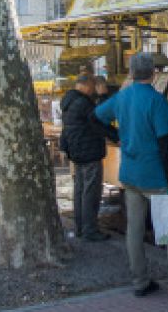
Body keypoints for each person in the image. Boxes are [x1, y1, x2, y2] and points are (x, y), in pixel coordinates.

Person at [94, 53, 168, 303]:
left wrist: (116, 136)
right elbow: (166, 147)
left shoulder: (122, 96)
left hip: (129, 174)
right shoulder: (156, 101)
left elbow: (94, 117)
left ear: (131, 72)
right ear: (154, 74)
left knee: (134, 230)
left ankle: (140, 282)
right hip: (155, 176)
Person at [58, 75, 118, 242]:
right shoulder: (83, 102)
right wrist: (117, 136)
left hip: (76, 151)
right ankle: (90, 229)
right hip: (89, 151)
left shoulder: (68, 101)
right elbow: (100, 119)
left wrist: (64, 147)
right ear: (87, 85)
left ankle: (80, 227)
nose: (93, 90)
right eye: (93, 86)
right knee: (91, 191)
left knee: (80, 190)